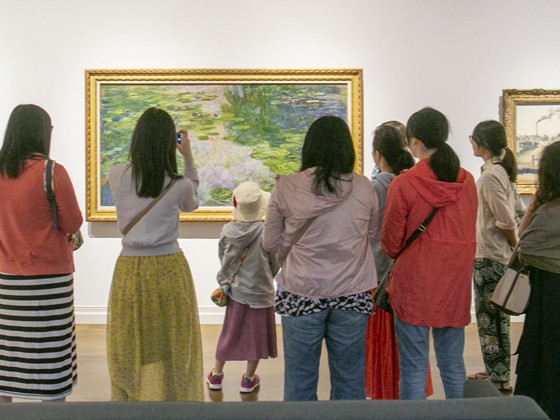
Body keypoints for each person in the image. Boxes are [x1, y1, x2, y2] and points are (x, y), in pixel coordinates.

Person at [263, 115, 379, 401]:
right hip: (352, 293)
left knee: (299, 383)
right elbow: (371, 235)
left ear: (309, 147)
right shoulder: (364, 187)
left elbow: (269, 242)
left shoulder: (286, 186)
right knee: (350, 382)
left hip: (301, 291)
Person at [107, 107, 203, 401]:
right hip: (169, 267)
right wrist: (188, 158)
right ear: (169, 141)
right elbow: (192, 205)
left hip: (129, 267)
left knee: (130, 337)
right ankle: (171, 400)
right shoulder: (180, 184)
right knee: (173, 338)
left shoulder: (116, 174)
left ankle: (134, 398)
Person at [381, 107, 477, 400]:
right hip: (454, 284)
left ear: (414, 142)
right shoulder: (467, 182)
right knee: (453, 364)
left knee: (413, 369)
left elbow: (391, 242)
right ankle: (459, 416)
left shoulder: (403, 183)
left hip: (414, 285)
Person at [0, 104, 83, 402]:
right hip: (50, 280)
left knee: (6, 355)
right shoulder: (52, 172)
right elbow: (73, 222)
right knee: (51, 351)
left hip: (6, 278)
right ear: (41, 133)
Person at [364, 122, 435, 399]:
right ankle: (410, 397)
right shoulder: (414, 181)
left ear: (377, 154)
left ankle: (386, 393)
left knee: (383, 340)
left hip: (379, 273)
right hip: (411, 272)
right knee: (410, 342)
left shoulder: (376, 187)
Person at [207, 181, 279, 393]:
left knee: (229, 333)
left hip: (236, 291)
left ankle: (217, 375)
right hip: (261, 292)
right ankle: (248, 379)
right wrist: (266, 277)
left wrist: (227, 280)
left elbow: (223, 259)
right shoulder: (265, 232)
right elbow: (275, 263)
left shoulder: (227, 231)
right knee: (257, 337)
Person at [467, 120, 518, 392]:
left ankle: (499, 375)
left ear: (483, 144)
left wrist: (514, 246)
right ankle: (498, 372)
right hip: (497, 255)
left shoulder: (490, 176)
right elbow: (517, 212)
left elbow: (506, 220)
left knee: (490, 319)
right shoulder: (499, 172)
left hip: (490, 256)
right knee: (498, 319)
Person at [515, 141, 560, 419]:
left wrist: (535, 204)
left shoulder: (548, 211)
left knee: (546, 365)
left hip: (548, 301)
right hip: (547, 298)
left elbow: (525, 246)